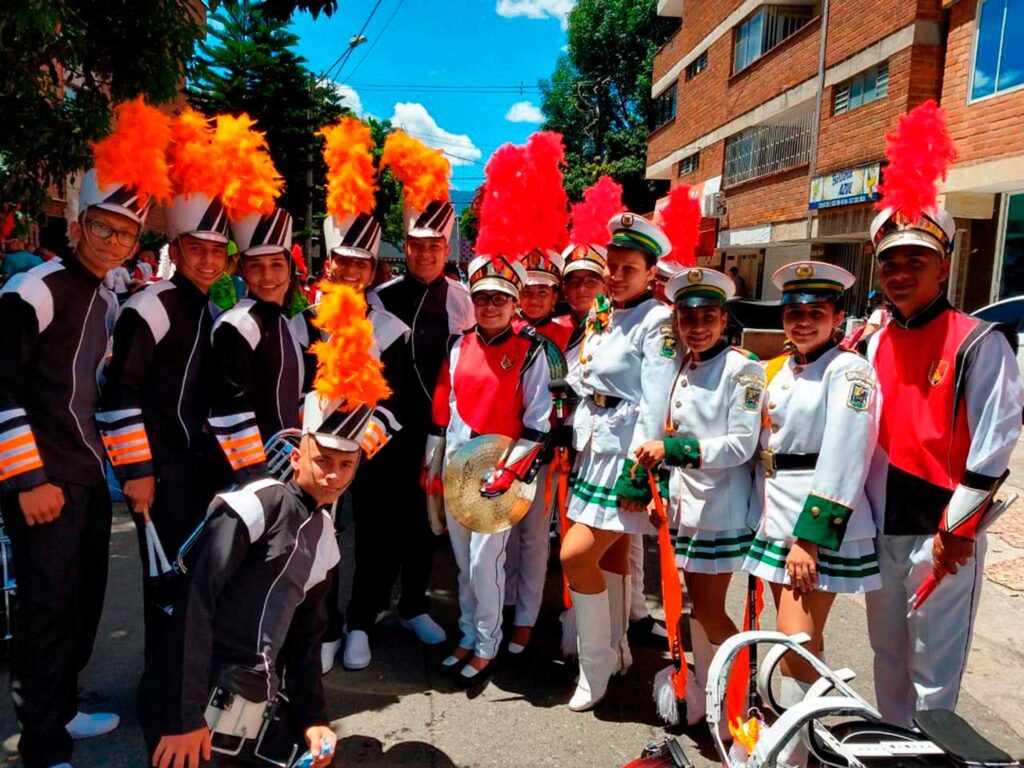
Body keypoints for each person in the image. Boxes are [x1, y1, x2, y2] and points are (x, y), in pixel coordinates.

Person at [0, 100, 164, 766]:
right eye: (104, 229)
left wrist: (129, 472)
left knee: (83, 605)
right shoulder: (33, 289)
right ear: (77, 224)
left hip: (87, 481)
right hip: (42, 484)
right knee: (43, 614)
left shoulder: (106, 295)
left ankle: (62, 711)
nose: (116, 243)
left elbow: (97, 398)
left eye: (128, 234)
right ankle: (40, 743)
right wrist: (27, 477)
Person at [863, 105, 1023, 727]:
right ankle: (889, 748)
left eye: (915, 261)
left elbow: (995, 443)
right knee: (886, 655)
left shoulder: (980, 341)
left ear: (945, 263)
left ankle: (932, 755)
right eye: (890, 263)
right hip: (878, 523)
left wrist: (958, 531)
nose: (900, 274)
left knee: (935, 668)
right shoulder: (871, 340)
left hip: (941, 531)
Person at [139, 393, 369, 768]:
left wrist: (313, 720)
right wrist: (184, 718)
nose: (334, 475)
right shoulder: (259, 503)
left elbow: (305, 641)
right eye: (322, 460)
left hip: (254, 702)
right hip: (188, 699)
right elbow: (193, 605)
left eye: (346, 465)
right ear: (296, 458)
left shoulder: (326, 536)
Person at [742, 261, 880, 768]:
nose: (802, 321)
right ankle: (807, 743)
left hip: (812, 525)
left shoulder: (849, 370)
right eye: (793, 312)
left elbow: (847, 453)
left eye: (815, 312)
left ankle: (795, 753)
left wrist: (810, 539)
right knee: (798, 641)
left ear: (838, 317)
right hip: (778, 515)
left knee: (792, 642)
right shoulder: (789, 368)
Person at [98, 175, 230, 663]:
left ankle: (187, 679)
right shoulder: (148, 306)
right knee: (166, 584)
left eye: (218, 251)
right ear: (176, 247)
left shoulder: (211, 308)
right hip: (156, 471)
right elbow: (118, 395)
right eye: (197, 249)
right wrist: (136, 473)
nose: (209, 260)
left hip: (197, 469)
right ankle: (162, 689)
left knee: (197, 578)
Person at [559, 212, 678, 712]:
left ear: (652, 272)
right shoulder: (606, 314)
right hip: (594, 448)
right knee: (607, 559)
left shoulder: (656, 322)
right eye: (613, 264)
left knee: (574, 556)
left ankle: (596, 662)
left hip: (626, 455)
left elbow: (657, 401)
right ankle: (618, 652)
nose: (616, 273)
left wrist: (642, 474)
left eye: (629, 267)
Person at [634, 267, 764, 726]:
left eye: (708, 316)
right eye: (688, 318)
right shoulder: (686, 365)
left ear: (724, 318)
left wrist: (673, 451)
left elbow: (739, 445)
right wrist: (663, 492)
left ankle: (740, 700)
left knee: (709, 612)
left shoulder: (742, 368)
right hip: (689, 509)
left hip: (722, 511)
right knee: (702, 614)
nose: (698, 326)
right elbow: (676, 428)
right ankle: (712, 696)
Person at [292, 202, 416, 673]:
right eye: (343, 261)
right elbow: (295, 389)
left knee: (375, 535)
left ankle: (361, 622)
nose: (351, 271)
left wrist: (359, 444)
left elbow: (397, 399)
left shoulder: (391, 329)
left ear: (372, 269)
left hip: (371, 451)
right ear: (329, 264)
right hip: (316, 452)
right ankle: (322, 626)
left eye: (361, 263)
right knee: (319, 535)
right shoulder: (304, 321)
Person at [427, 254, 553, 684]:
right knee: (463, 563)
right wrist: (432, 468)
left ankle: (486, 643)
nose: (491, 306)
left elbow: (539, 422)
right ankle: (466, 632)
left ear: (515, 303)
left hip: (500, 477)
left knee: (486, 565)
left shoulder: (531, 351)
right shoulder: (457, 345)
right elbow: (444, 412)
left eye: (501, 298)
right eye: (482, 298)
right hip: (458, 469)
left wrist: (511, 473)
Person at [370, 198, 474, 649]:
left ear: (446, 246)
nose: (425, 253)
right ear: (406, 246)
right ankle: (365, 610)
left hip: (437, 434)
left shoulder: (464, 300)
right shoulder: (382, 296)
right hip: (383, 431)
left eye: (434, 245)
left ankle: (414, 605)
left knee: (423, 525)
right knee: (377, 526)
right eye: (416, 244)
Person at [502, 248, 570, 653]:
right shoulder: (504, 329)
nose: (534, 298)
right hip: (505, 449)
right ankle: (505, 604)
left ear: (554, 293)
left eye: (543, 291)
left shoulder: (568, 333)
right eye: (527, 290)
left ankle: (526, 616)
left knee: (534, 537)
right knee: (504, 532)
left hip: (548, 451)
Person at [209, 207, 301, 484]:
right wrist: (255, 478)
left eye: (276, 264)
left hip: (285, 468)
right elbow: (230, 409)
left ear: (289, 267)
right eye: (255, 266)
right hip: (250, 476)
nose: (267, 276)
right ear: (242, 271)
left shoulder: (284, 322)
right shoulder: (237, 324)